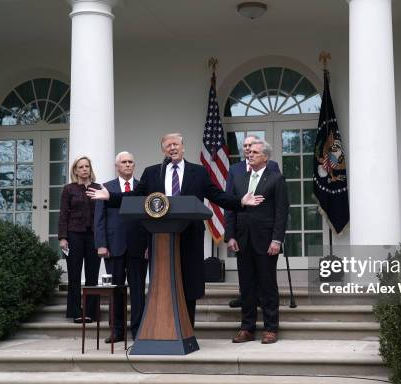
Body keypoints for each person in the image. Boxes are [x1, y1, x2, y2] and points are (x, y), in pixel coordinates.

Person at [86, 133, 264, 327]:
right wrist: (110, 197)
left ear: (183, 147)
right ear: (163, 150)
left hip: (189, 236)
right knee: (163, 284)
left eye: (176, 144)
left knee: (188, 284)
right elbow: (136, 197)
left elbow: (217, 195)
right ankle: (163, 326)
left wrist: (240, 202)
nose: (172, 148)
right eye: (168, 145)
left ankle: (187, 327)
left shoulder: (198, 172)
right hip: (161, 237)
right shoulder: (153, 172)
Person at [228, 140, 289, 344]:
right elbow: (232, 209)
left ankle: (271, 328)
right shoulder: (239, 178)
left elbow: (281, 212)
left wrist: (277, 240)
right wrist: (231, 236)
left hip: (266, 241)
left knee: (267, 285)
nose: (249, 154)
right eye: (249, 152)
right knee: (246, 286)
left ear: (265, 157)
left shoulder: (276, 178)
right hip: (243, 240)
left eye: (255, 152)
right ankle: (247, 328)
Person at [94, 151, 148, 343]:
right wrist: (101, 244)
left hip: (139, 247)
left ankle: (138, 329)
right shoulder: (106, 188)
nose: (127, 165)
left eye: (130, 162)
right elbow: (99, 219)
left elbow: (149, 218)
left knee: (138, 291)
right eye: (123, 162)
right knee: (115, 291)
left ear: (134, 165)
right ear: (117, 166)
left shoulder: (143, 187)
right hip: (113, 247)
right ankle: (117, 331)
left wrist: (149, 245)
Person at [225, 135, 280, 308]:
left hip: (264, 233)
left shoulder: (272, 168)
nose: (248, 149)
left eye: (252, 146)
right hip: (243, 234)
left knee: (266, 279)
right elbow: (230, 204)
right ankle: (247, 307)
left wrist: (277, 237)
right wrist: (230, 234)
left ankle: (266, 310)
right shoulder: (235, 171)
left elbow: (278, 204)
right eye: (245, 146)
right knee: (246, 279)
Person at [58, 156, 102, 323]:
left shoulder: (98, 188)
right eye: (80, 167)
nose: (84, 169)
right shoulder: (69, 189)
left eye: (87, 166)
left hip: (93, 236)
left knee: (93, 275)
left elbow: (101, 215)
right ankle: (76, 312)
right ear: (75, 170)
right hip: (73, 235)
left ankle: (91, 312)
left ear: (90, 169)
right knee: (74, 275)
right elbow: (63, 214)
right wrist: (62, 237)